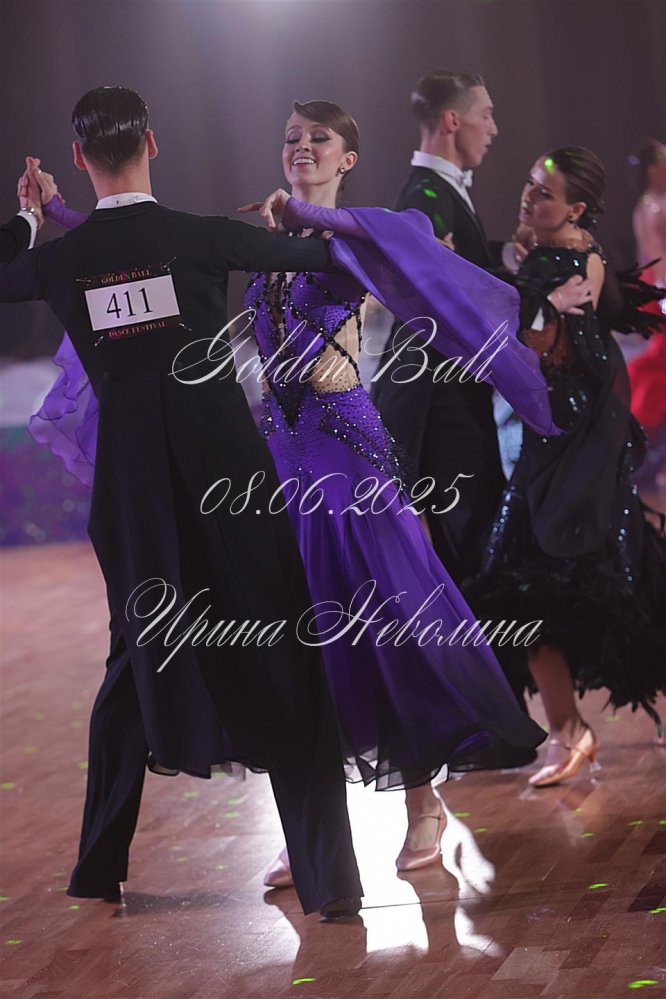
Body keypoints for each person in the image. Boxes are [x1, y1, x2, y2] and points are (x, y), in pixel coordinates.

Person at [28, 98, 564, 884]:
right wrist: (63, 215)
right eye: (292, 137)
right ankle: (315, 828)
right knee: (307, 645)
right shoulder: (265, 239)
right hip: (281, 464)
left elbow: (401, 238)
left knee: (387, 631)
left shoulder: (356, 238)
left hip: (348, 459)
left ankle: (423, 804)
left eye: (320, 138)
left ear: (349, 158)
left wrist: (307, 214)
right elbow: (146, 243)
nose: (302, 146)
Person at [1, 86, 364, 920]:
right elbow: (324, 260)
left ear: (79, 157)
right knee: (282, 653)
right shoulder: (201, 238)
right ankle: (331, 880)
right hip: (229, 483)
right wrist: (312, 216)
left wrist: (27, 217)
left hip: (133, 495)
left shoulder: (65, 258)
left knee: (134, 665)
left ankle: (98, 867)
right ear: (153, 144)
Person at [464, 147, 666, 786]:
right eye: (530, 184)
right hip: (567, 439)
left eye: (544, 192)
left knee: (532, 588)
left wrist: (537, 302)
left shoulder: (561, 262)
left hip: (572, 447)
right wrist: (530, 283)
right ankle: (569, 731)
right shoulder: (576, 251)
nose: (529, 196)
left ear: (575, 208)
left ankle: (569, 731)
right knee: (563, 586)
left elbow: (540, 345)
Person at [371, 70, 508, 586]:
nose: (493, 128)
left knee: (472, 535)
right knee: (470, 539)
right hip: (440, 398)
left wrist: (507, 256)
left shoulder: (438, 189)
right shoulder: (426, 196)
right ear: (452, 120)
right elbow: (431, 289)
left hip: (449, 393)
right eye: (485, 115)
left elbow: (464, 264)